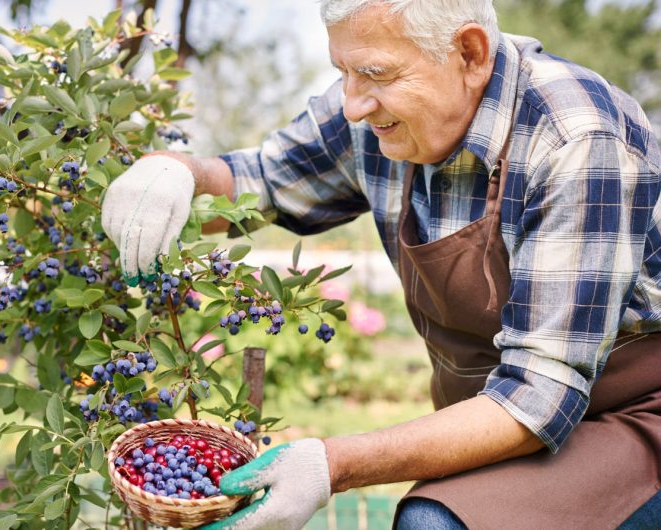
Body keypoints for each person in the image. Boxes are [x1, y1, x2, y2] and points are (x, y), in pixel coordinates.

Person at [102, 0, 661, 528]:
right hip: (504, 413)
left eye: (374, 73)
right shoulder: (378, 114)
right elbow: (262, 183)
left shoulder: (576, 140)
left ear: (469, 54)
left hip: (633, 415)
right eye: (343, 72)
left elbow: (539, 398)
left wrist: (333, 464)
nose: (352, 104)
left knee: (435, 520)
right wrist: (176, 174)